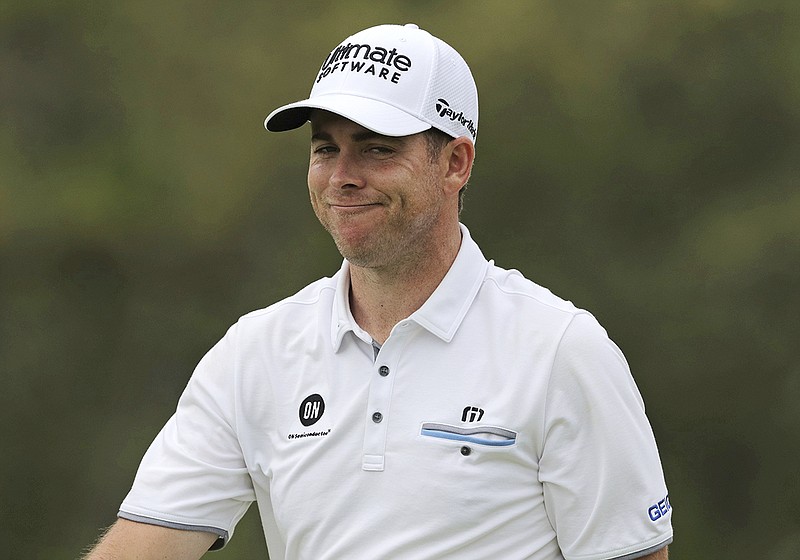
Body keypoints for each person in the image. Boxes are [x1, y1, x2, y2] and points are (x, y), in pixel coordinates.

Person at [84, 23, 672, 560]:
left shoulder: (561, 349)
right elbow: (146, 545)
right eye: (325, 148)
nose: (343, 175)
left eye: (377, 148)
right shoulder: (255, 352)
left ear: (455, 164)